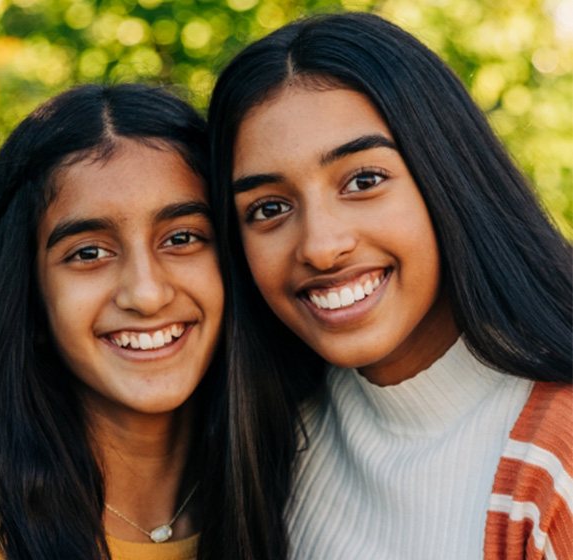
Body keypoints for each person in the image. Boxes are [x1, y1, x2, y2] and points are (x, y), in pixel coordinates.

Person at [208, 12, 572, 559]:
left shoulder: (555, 466)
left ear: (447, 175)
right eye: (269, 208)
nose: (319, 246)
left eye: (364, 180)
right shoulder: (271, 435)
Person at [0, 83, 278, 560]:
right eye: (89, 252)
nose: (145, 294)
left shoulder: (307, 502)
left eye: (182, 237)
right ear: (32, 295)